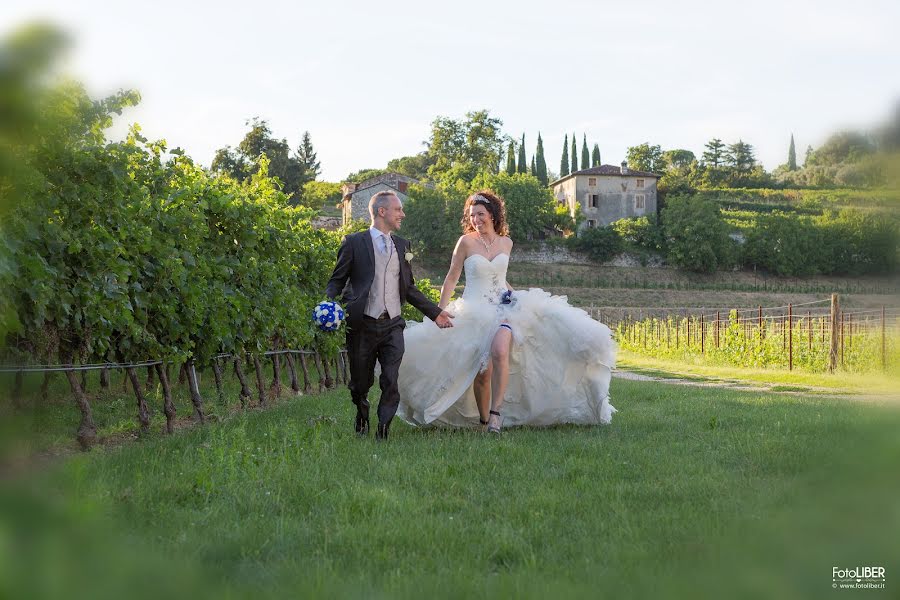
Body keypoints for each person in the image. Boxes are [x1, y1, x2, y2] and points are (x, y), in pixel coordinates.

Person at [396, 190, 616, 433]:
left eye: (481, 214)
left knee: (500, 351)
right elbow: (451, 278)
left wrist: (518, 297)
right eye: (472, 216)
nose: (476, 220)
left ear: (493, 215)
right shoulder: (466, 242)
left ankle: (495, 416)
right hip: (474, 311)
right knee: (482, 372)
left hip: (504, 308)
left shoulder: (506, 243)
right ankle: (482, 421)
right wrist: (439, 312)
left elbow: (500, 278)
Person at [325, 190, 454, 440]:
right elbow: (337, 280)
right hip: (362, 323)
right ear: (382, 212)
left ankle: (383, 429)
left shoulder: (402, 245)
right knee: (360, 383)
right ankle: (361, 411)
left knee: (391, 379)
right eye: (398, 210)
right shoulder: (354, 242)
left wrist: (435, 313)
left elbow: (410, 287)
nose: (402, 214)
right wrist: (327, 304)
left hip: (393, 325)